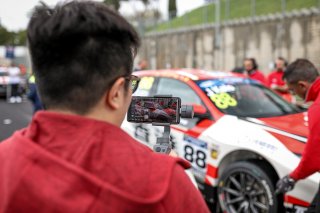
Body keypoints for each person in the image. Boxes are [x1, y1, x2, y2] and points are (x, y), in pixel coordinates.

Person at [0, 1, 209, 213]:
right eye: (131, 83)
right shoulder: (165, 184)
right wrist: (175, 174)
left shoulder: (4, 161)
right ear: (116, 92)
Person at [276, 59, 320, 212]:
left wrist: (292, 177)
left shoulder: (317, 109)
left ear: (302, 85)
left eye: (293, 91)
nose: (294, 94)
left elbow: (314, 158)